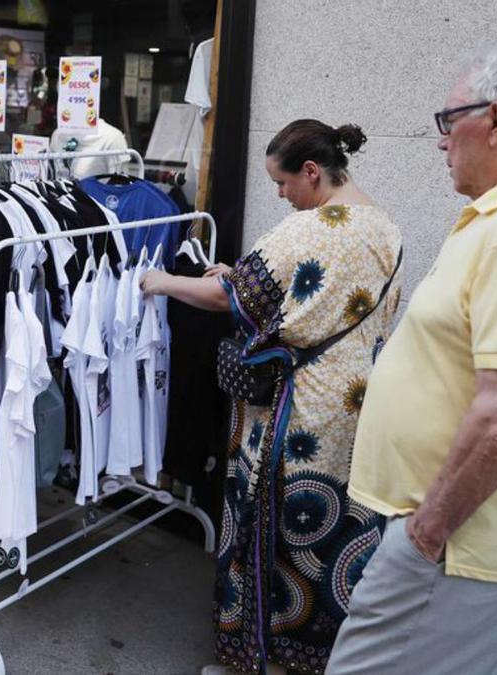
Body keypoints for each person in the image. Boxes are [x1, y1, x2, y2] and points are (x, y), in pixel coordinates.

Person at [327, 42, 497, 675]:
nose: (442, 141)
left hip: (454, 548)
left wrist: (426, 533)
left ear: (496, 121)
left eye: (449, 121)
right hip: (458, 547)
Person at [142, 120, 402, 675]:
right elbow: (328, 298)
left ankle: (262, 660)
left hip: (295, 408)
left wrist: (162, 281)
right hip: (357, 406)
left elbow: (223, 298)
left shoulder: (305, 229)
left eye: (283, 184)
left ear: (311, 172)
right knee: (330, 534)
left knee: (273, 528)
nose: (281, 196)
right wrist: (238, 278)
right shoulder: (385, 228)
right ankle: (320, 659)